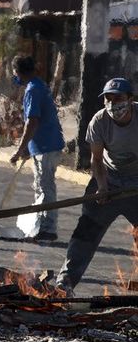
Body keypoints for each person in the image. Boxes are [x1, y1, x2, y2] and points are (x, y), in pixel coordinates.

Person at [57, 78, 138, 296]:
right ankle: (65, 283)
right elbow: (96, 160)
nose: (113, 104)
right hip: (109, 178)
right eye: (108, 99)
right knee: (86, 231)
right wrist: (102, 187)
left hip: (136, 183)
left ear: (131, 99)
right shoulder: (99, 121)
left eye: (118, 98)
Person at [9, 55, 65, 242]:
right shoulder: (40, 85)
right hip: (45, 144)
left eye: (14, 72)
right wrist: (27, 148)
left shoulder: (33, 90)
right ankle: (42, 226)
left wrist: (20, 148)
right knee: (42, 186)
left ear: (18, 72)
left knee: (45, 187)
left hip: (46, 146)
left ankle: (48, 230)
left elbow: (32, 122)